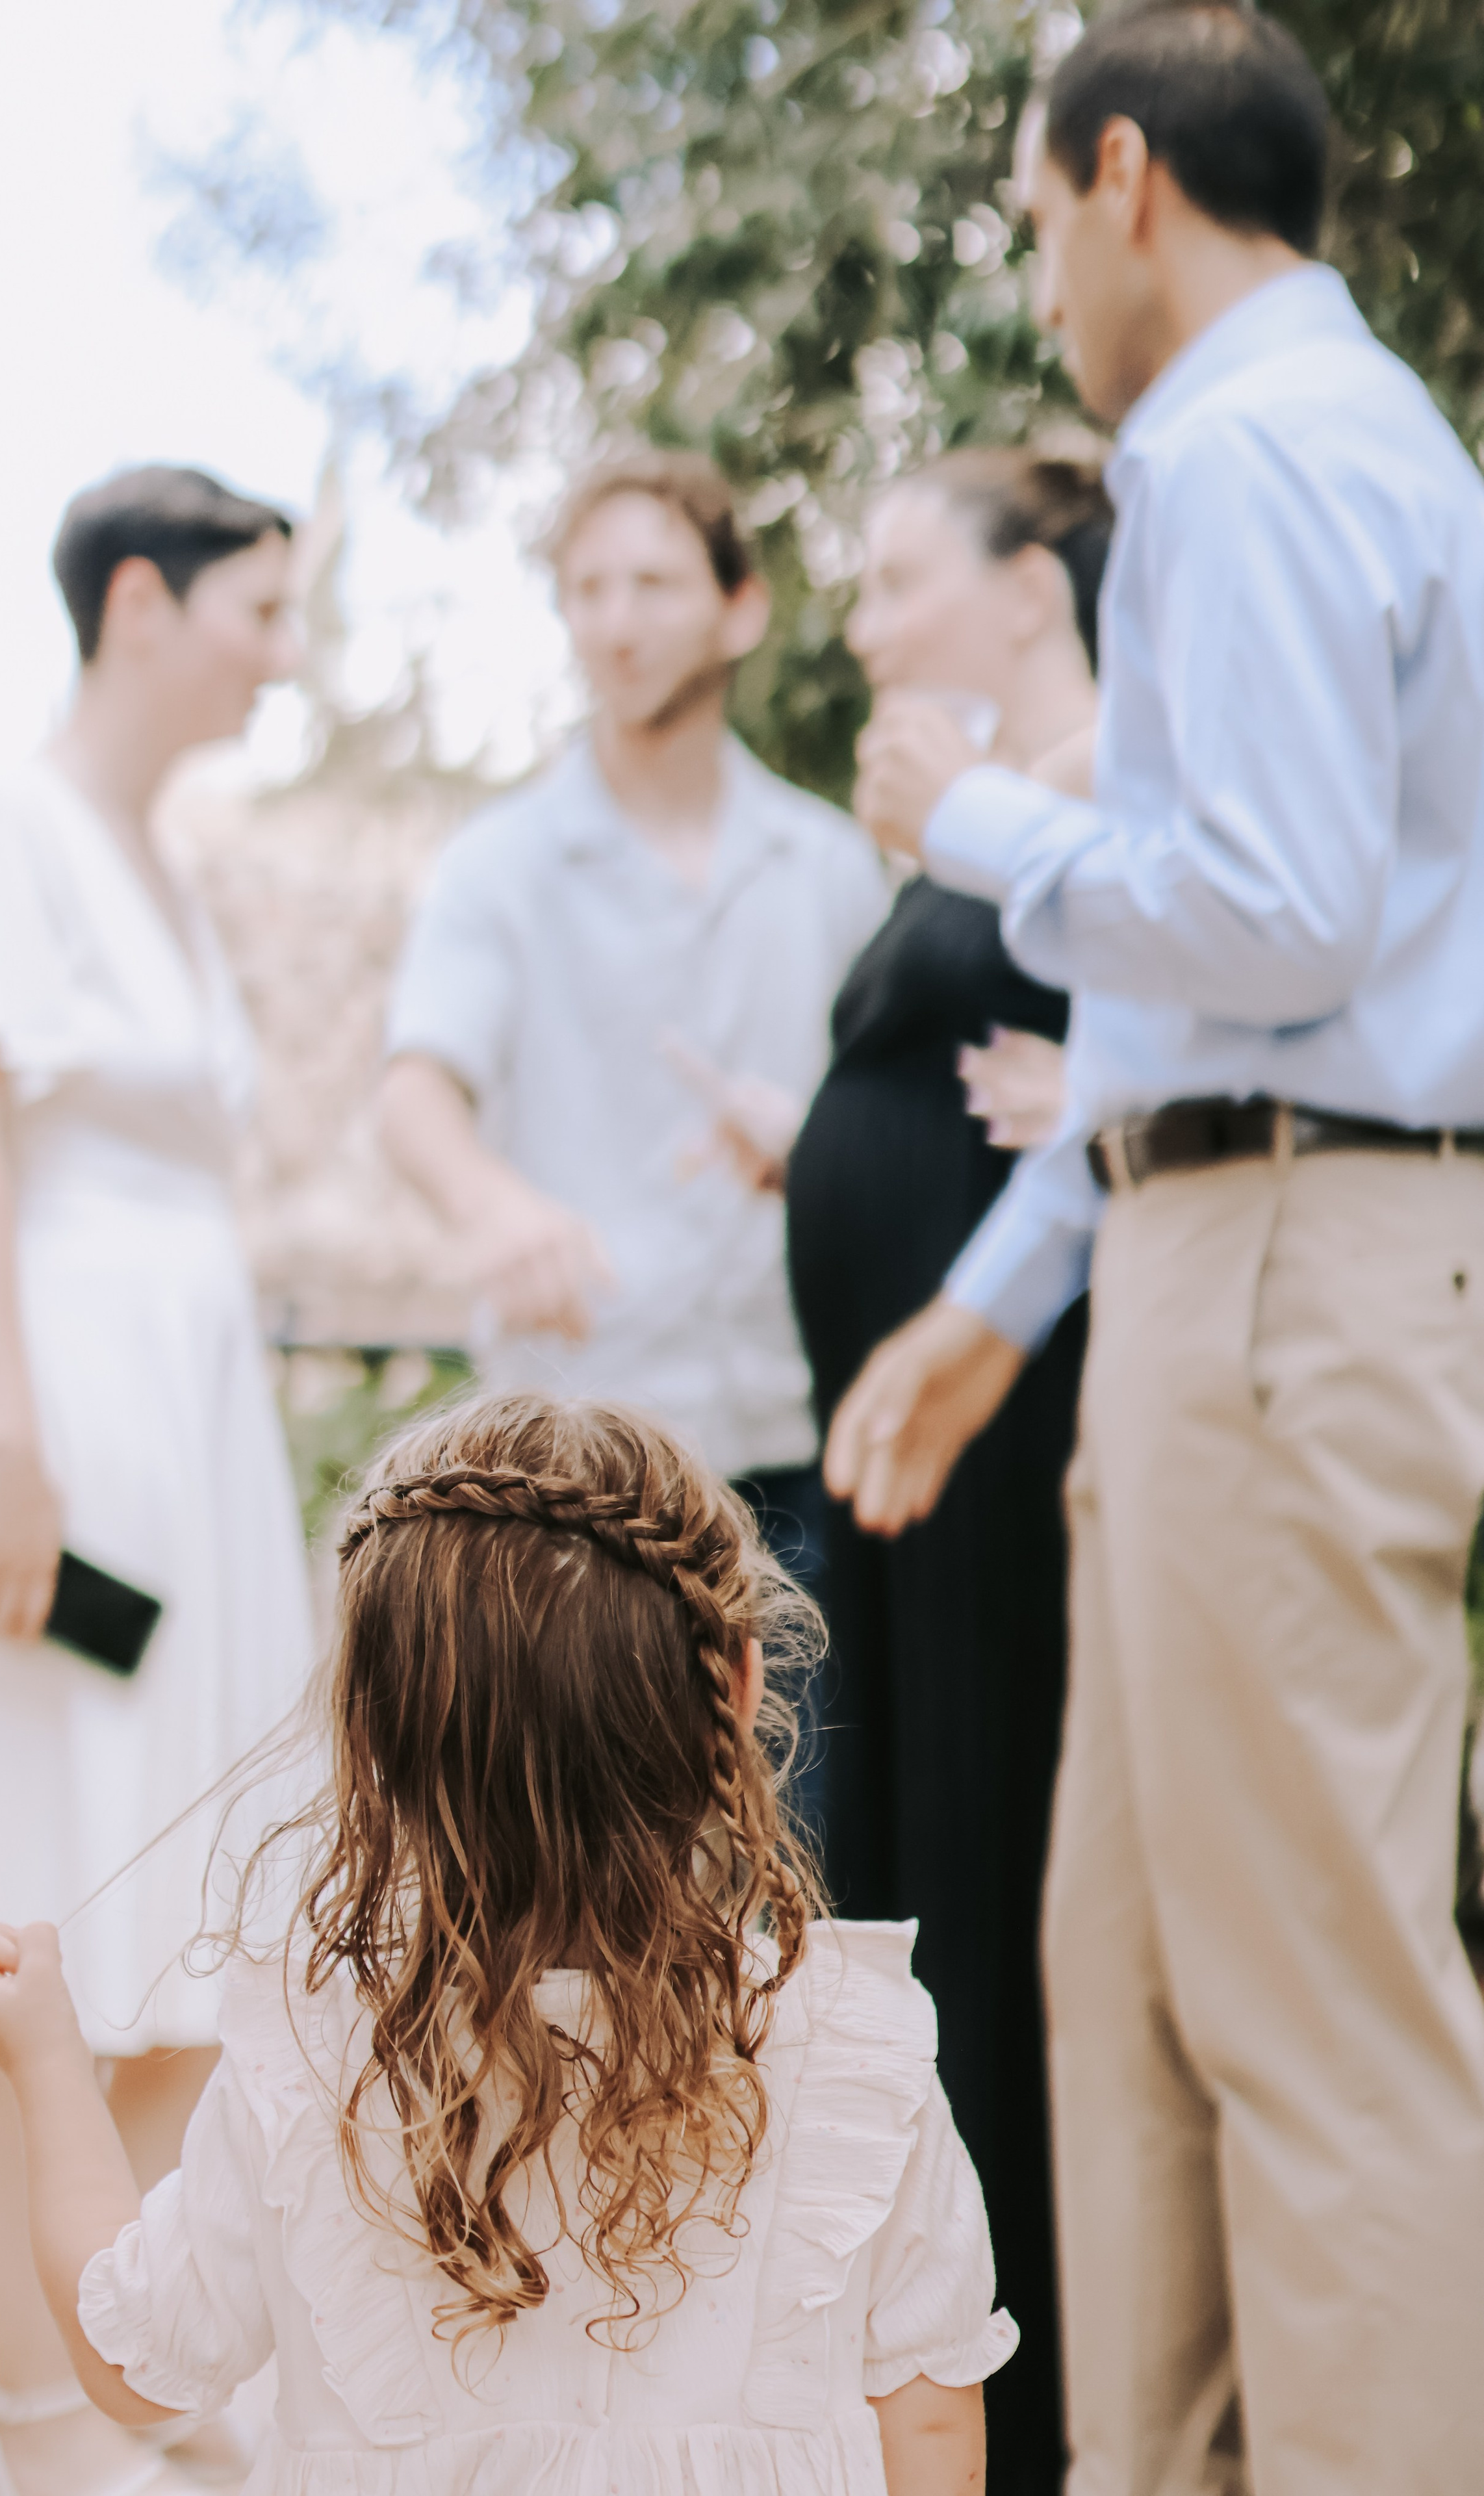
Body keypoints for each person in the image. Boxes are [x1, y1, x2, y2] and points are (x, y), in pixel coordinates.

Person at [830, 7, 1484, 2490]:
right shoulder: (1307, 442)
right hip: (1231, 1266)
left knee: (1313, 2016)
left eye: (1028, 218)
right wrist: (1001, 1313)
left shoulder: (1251, 443)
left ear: (1124, 175)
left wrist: (981, 824)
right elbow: (1247, 964)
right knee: (1130, 1996)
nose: (1040, 280)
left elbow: (1279, 917)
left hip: (1297, 1273)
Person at [0, 1387, 1019, 2495]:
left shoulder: (317, 2055)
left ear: (365, 1735)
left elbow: (140, 2362)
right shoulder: (856, 2057)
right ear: (738, 1689)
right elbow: (931, 2423)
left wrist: (43, 2060)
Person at [0, 467, 317, 2496]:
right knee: (34, 1925)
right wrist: (13, 1451)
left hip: (194, 1424)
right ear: (144, 601)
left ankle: (117, 2349)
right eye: (262, 611)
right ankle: (36, 2418)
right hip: (58, 1409)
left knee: (190, 1937)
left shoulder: (159, 865)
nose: (282, 656)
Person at [785, 443, 1108, 2496]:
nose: (869, 616)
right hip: (901, 1436)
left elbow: (1276, 988)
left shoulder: (1117, 789)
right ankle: (920, 2362)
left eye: (904, 572)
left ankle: (1029, 2380)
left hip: (1013, 1421)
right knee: (890, 1872)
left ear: (1032, 585)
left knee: (986, 1870)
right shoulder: (971, 804)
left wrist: (1113, 1086)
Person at [378, 449, 888, 1628]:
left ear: (740, 608)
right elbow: (414, 1092)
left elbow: (880, 1120)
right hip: (576, 1463)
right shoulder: (499, 864)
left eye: (654, 585)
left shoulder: (831, 864)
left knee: (790, 1817)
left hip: (793, 1449)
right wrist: (493, 1206)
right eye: (588, 589)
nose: (616, 623)